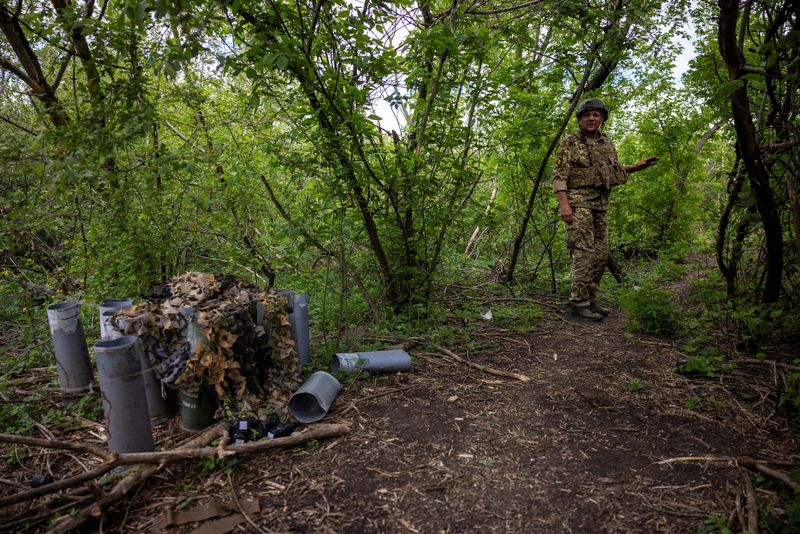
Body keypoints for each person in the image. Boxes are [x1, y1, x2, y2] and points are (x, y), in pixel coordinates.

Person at [552, 98, 658, 321]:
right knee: (583, 251)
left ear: (602, 119)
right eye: (587, 115)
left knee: (600, 254)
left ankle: (590, 298)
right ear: (580, 118)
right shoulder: (570, 142)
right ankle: (578, 303)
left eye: (596, 115)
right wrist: (564, 205)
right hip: (578, 202)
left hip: (600, 204)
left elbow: (612, 171)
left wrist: (635, 168)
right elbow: (559, 176)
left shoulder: (606, 143)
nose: (592, 118)